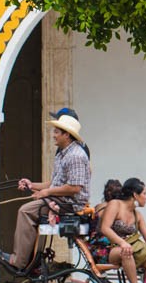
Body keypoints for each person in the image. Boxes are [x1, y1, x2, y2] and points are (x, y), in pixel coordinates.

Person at [7, 111, 91, 271]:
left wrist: (46, 193)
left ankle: (20, 262)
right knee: (31, 209)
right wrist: (32, 185)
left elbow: (75, 188)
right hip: (62, 200)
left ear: (67, 135)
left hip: (70, 204)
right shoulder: (62, 154)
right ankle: (32, 260)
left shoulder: (75, 156)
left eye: (57, 132)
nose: (53, 135)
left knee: (25, 211)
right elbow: (53, 183)